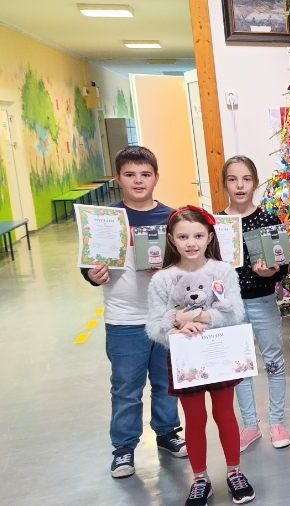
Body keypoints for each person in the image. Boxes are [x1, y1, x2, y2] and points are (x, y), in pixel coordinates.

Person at [80, 145, 187, 478]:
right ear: (118, 178)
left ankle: (168, 433)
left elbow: (188, 265)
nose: (138, 181)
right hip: (123, 319)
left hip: (165, 317)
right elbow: (89, 265)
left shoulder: (171, 218)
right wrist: (91, 275)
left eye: (145, 174)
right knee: (126, 386)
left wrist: (168, 274)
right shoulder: (105, 220)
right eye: (130, 175)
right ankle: (124, 449)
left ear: (156, 177)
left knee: (167, 382)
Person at [146, 206, 255, 505]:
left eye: (197, 235)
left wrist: (203, 317)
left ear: (209, 237)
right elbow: (154, 326)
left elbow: (236, 312)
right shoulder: (163, 279)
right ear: (171, 239)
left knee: (224, 413)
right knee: (194, 418)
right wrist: (176, 322)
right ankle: (200, 478)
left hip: (220, 355)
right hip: (187, 361)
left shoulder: (223, 271)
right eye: (183, 236)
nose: (191, 242)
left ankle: (234, 471)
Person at [219, 155, 290, 451]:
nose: (239, 185)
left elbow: (283, 264)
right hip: (230, 307)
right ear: (225, 183)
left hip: (262, 302)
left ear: (255, 183)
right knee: (241, 367)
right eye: (233, 179)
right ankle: (250, 425)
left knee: (273, 362)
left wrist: (273, 270)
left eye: (246, 179)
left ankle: (276, 422)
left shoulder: (268, 220)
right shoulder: (216, 223)